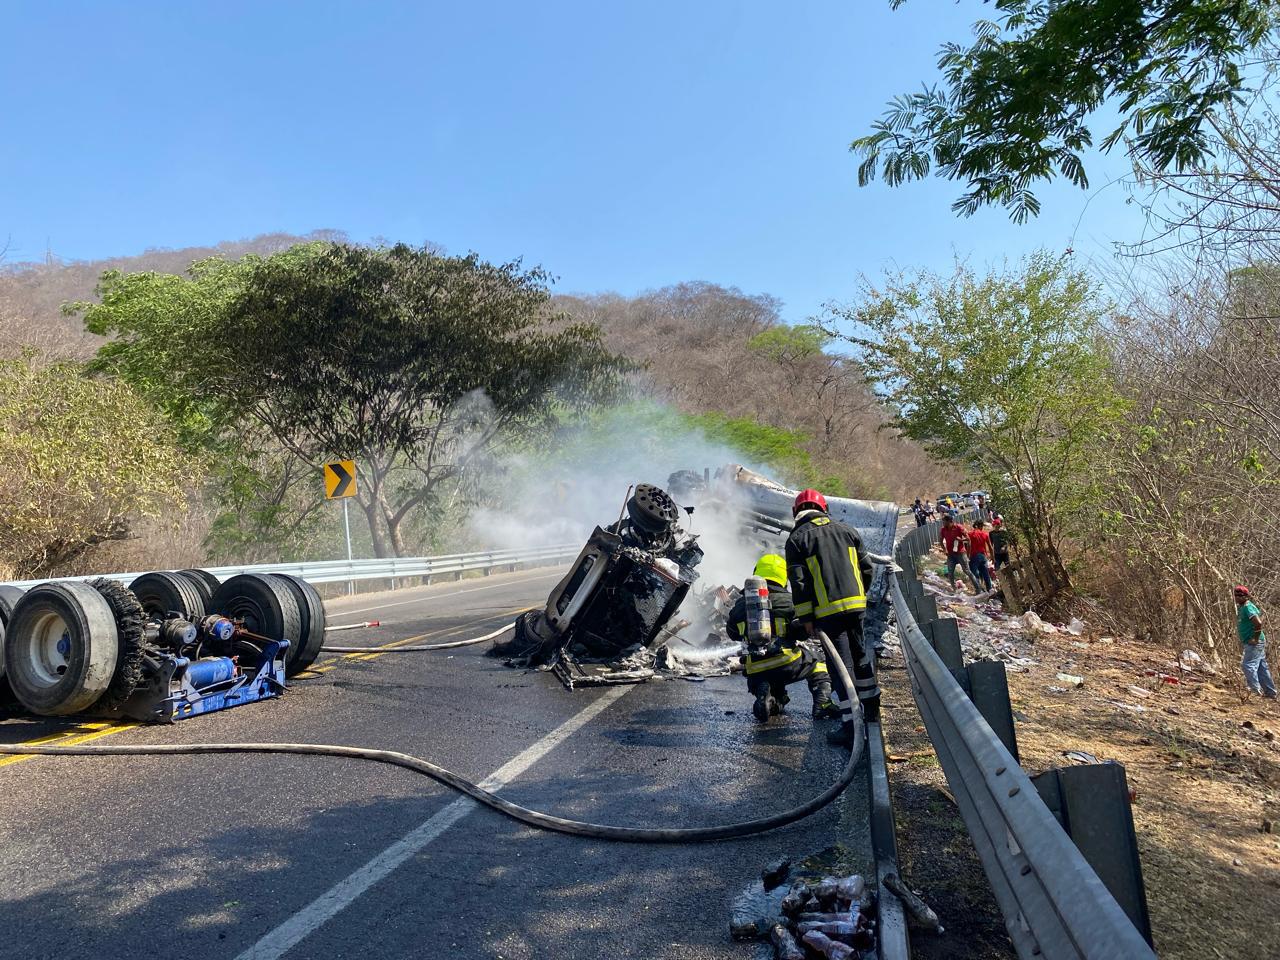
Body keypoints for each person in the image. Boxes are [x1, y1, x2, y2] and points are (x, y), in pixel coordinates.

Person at [785, 488, 882, 745]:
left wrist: (806, 618)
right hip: (856, 607)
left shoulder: (796, 540)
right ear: (824, 509)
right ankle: (871, 712)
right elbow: (867, 568)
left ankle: (851, 727)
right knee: (861, 657)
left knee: (840, 668)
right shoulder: (847, 530)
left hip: (828, 614)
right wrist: (860, 595)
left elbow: (800, 585)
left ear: (797, 512)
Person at [725, 553, 840, 723]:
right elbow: (802, 633)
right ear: (783, 576)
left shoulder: (742, 605)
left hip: (754, 670)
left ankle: (767, 699)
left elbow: (732, 633)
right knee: (818, 659)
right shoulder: (790, 601)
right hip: (785, 664)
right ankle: (822, 703)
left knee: (775, 695)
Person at [1235, 586, 1277, 699]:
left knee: (1248, 666)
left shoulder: (1248, 607)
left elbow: (1258, 623)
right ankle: (1271, 693)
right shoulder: (1242, 607)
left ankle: (1255, 692)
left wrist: (1255, 638)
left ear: (1246, 596)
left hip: (1255, 642)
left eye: (1240, 595)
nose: (1237, 598)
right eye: (1236, 595)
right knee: (1261, 667)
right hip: (1252, 642)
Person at [939, 514, 980, 592]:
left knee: (967, 571)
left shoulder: (958, 527)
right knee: (950, 573)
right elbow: (941, 540)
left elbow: (968, 539)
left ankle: (978, 589)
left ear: (949, 521)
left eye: (944, 521)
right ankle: (955, 590)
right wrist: (944, 549)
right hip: (950, 554)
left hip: (960, 553)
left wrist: (961, 540)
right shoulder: (943, 529)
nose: (943, 523)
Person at [967, 518, 994, 591]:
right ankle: (989, 589)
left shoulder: (970, 534)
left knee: (975, 574)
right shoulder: (985, 534)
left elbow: (967, 545)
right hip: (983, 556)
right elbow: (990, 547)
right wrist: (993, 558)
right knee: (986, 574)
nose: (983, 528)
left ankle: (979, 590)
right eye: (982, 526)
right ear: (980, 526)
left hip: (973, 556)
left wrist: (967, 556)